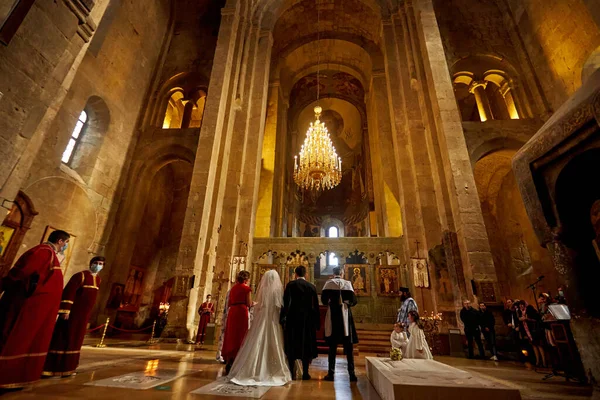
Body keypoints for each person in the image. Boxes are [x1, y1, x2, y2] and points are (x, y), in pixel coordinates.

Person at [0, 230, 69, 389]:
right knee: (14, 338)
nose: (65, 246)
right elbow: (22, 274)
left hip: (37, 309)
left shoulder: (49, 254)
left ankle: (19, 375)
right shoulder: (41, 252)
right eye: (65, 243)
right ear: (60, 241)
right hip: (26, 306)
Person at [42, 256, 104, 377]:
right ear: (91, 263)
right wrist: (65, 310)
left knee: (76, 340)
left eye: (101, 263)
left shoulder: (98, 279)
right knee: (63, 338)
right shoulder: (80, 276)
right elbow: (69, 293)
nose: (98, 265)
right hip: (72, 314)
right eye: (96, 263)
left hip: (83, 316)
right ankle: (51, 368)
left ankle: (68, 368)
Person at [228, 270, 291, 386]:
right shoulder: (278, 290)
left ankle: (249, 369)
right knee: (274, 341)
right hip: (273, 320)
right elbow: (279, 305)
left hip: (262, 318)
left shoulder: (263, 289)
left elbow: (258, 305)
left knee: (256, 339)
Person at [280, 265, 320, 380]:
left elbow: (286, 303)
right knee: (306, 345)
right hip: (308, 320)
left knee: (292, 344)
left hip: (293, 319)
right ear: (305, 274)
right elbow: (315, 306)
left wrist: (282, 317)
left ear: (295, 274)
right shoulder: (311, 286)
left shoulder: (291, 285)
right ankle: (306, 373)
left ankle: (292, 373)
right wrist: (317, 322)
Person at [321, 267, 358, 382]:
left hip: (333, 316)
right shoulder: (347, 284)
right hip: (345, 316)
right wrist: (346, 303)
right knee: (349, 347)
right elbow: (354, 301)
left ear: (333, 273)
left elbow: (323, 300)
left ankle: (331, 374)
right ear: (342, 273)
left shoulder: (328, 284)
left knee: (332, 347)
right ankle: (352, 374)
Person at [222, 270, 252, 374]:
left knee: (231, 335)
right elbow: (249, 304)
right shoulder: (246, 289)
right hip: (241, 312)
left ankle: (229, 359)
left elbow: (229, 302)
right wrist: (255, 304)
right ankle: (238, 359)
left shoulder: (233, 289)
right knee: (240, 335)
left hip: (232, 312)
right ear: (246, 279)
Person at [518, 300, 547, 368]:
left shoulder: (529, 309)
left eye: (522, 305)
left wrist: (527, 319)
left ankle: (544, 362)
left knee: (539, 345)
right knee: (534, 345)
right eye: (520, 305)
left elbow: (536, 318)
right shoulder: (520, 311)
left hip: (534, 329)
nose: (521, 306)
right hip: (527, 330)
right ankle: (537, 361)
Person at [216, 288, 231, 364]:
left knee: (225, 335)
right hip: (230, 315)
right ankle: (222, 355)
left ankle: (222, 355)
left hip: (228, 315)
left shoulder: (230, 291)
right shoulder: (231, 291)